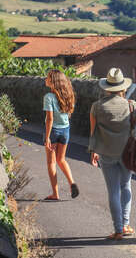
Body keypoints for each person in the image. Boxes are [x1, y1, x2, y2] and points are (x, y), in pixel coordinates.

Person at [89, 68, 136, 241]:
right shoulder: (131, 105)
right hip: (127, 152)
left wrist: (94, 151)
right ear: (123, 87)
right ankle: (126, 224)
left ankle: (118, 229)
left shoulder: (96, 107)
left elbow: (94, 132)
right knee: (126, 186)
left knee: (112, 190)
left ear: (106, 87)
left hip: (106, 153)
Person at [43, 69, 79, 201]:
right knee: (61, 159)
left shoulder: (48, 97)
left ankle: (55, 194)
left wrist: (47, 137)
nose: (45, 79)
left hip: (53, 132)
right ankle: (72, 183)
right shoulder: (68, 95)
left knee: (51, 163)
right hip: (65, 130)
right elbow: (69, 113)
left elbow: (50, 119)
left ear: (53, 82)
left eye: (47, 78)